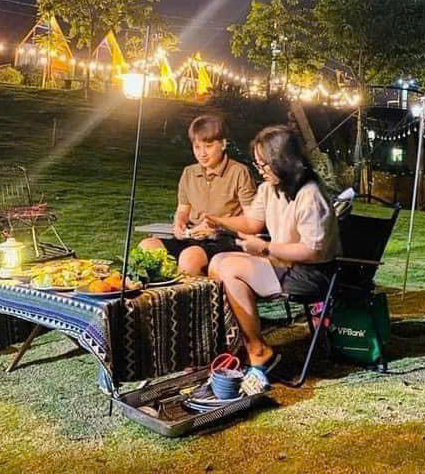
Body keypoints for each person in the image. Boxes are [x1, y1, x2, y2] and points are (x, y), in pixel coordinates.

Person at [205, 125, 341, 377]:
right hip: (282, 263)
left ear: (283, 160)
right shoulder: (269, 188)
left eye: (263, 164)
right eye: (257, 164)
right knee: (217, 263)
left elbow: (313, 251)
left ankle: (258, 350)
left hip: (311, 273)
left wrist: (266, 248)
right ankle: (241, 345)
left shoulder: (310, 194)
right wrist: (218, 221)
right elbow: (252, 223)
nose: (260, 170)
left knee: (229, 268)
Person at [138, 114, 256, 275]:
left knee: (190, 258)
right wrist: (179, 223)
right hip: (192, 237)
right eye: (197, 147)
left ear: (223, 144)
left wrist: (217, 227)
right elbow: (182, 209)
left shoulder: (239, 172)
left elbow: (252, 221)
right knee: (147, 246)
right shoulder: (189, 173)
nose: (202, 154)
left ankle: (194, 291)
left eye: (208, 146)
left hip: (225, 240)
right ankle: (153, 290)